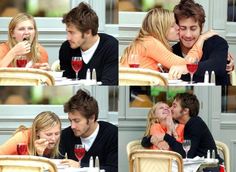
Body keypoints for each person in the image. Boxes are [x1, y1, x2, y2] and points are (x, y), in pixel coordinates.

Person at [120, 7, 216, 78]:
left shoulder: (144, 42)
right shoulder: (150, 43)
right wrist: (200, 40)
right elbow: (188, 64)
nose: (178, 28)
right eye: (172, 25)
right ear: (161, 28)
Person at [142, 93, 222, 172]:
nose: (170, 109)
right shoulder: (181, 123)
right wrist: (151, 139)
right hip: (195, 166)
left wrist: (165, 136)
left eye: (174, 106)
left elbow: (186, 153)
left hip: (208, 167)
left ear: (185, 111)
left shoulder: (195, 123)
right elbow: (145, 140)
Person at [172, 0, 233, 85]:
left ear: (202, 27)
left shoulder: (217, 43)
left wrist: (186, 68)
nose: (188, 35)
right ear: (176, 27)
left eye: (193, 28)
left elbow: (217, 66)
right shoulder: (173, 50)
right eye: (183, 28)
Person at [59, 2, 118, 85]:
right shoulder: (66, 48)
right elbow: (65, 82)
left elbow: (109, 83)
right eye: (67, 32)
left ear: (87, 32)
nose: (68, 38)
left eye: (72, 33)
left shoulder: (111, 46)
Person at [59, 89, 118, 172]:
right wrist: (42, 153)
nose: (72, 126)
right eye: (70, 120)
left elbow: (114, 169)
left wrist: (80, 166)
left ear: (92, 118)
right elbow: (56, 163)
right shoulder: (66, 134)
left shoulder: (112, 134)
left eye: (77, 121)